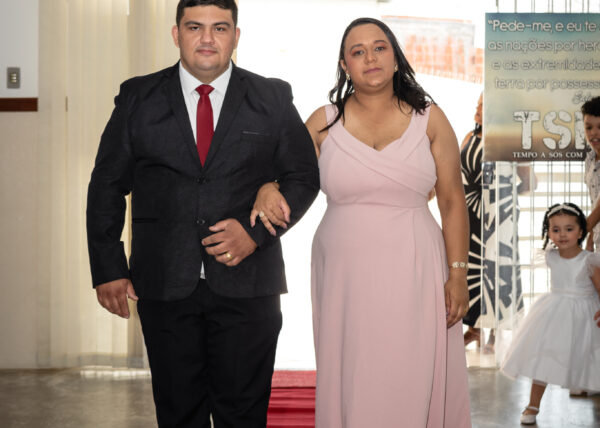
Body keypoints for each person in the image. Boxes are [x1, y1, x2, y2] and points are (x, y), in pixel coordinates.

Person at [86, 1, 320, 426]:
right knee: (178, 414)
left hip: (249, 285)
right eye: (195, 27)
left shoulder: (271, 97)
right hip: (164, 284)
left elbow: (303, 177)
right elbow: (106, 186)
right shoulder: (138, 97)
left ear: (236, 36)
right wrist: (108, 268)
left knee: (243, 415)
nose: (208, 38)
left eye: (220, 28)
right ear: (177, 34)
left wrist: (255, 234)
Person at [250, 17, 471, 427]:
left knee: (411, 367)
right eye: (358, 51)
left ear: (395, 57)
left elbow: (453, 201)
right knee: (354, 370)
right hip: (344, 272)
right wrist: (267, 186)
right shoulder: (322, 121)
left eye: (379, 47)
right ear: (344, 65)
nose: (371, 57)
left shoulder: (431, 118)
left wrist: (458, 274)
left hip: (417, 265)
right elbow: (287, 177)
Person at [500, 203, 600, 425]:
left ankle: (585, 388)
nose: (562, 234)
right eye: (556, 230)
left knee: (592, 357)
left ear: (581, 231)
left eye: (569, 229)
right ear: (548, 233)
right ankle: (533, 405)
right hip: (555, 314)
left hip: (584, 314)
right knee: (544, 358)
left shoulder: (588, 260)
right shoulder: (550, 256)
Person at [461, 93, 534, 353]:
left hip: (500, 216)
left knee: (497, 268)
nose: (477, 109)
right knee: (472, 269)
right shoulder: (469, 137)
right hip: (470, 214)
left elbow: (530, 182)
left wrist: (505, 194)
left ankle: (495, 332)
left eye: (482, 105)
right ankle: (474, 328)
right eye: (477, 104)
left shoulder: (509, 140)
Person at [583, 96, 600, 251]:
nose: (594, 133)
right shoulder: (590, 160)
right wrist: (590, 239)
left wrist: (575, 233)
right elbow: (595, 204)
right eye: (589, 128)